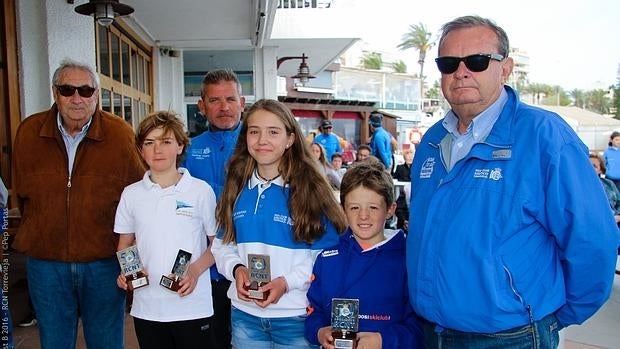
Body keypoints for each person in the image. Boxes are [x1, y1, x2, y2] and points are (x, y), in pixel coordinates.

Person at [406, 15, 620, 348]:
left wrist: (555, 316)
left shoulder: (544, 137)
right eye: (448, 63)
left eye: (476, 61)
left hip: (511, 337)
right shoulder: (433, 141)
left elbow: (593, 239)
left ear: (505, 69)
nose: (461, 72)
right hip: (432, 332)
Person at [11, 58, 145, 348]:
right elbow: (22, 195)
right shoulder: (29, 133)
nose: (76, 98)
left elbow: (136, 198)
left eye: (85, 91)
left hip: (103, 261)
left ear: (96, 95)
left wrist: (130, 257)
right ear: (54, 92)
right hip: (46, 262)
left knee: (106, 341)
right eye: (67, 90)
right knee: (54, 340)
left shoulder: (120, 134)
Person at [211, 99, 347, 348]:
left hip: (296, 315)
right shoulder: (236, 188)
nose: (262, 140)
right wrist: (237, 269)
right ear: (246, 138)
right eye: (254, 131)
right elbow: (221, 245)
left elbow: (326, 255)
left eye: (273, 132)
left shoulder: (310, 191)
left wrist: (286, 283)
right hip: (244, 315)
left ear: (290, 139)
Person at [115, 111, 217, 348]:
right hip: (147, 309)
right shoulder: (131, 194)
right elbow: (125, 244)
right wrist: (128, 273)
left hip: (192, 307)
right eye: (149, 143)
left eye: (166, 141)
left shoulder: (200, 191)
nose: (157, 149)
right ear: (141, 150)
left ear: (180, 146)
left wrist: (194, 270)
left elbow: (218, 244)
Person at [305, 161, 423, 349]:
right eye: (354, 208)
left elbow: (419, 329)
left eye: (373, 208)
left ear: (390, 210)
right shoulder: (327, 259)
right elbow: (314, 312)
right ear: (343, 209)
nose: (363, 216)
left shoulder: (409, 260)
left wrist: (382, 340)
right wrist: (320, 332)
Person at [182, 68, 245, 348]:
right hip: (205, 270)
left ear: (242, 103)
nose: (224, 107)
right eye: (215, 100)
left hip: (248, 264)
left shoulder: (259, 144)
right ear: (201, 106)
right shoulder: (187, 149)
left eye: (230, 99)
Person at [589, 153, 620, 224]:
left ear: (600, 170)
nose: (590, 168)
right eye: (588, 165)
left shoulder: (609, 184)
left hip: (614, 222)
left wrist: (618, 217)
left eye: (594, 166)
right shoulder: (578, 186)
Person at [392, 148, 414, 232]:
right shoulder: (400, 167)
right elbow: (394, 177)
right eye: (407, 156)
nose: (409, 158)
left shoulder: (416, 169)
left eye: (411, 156)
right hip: (401, 192)